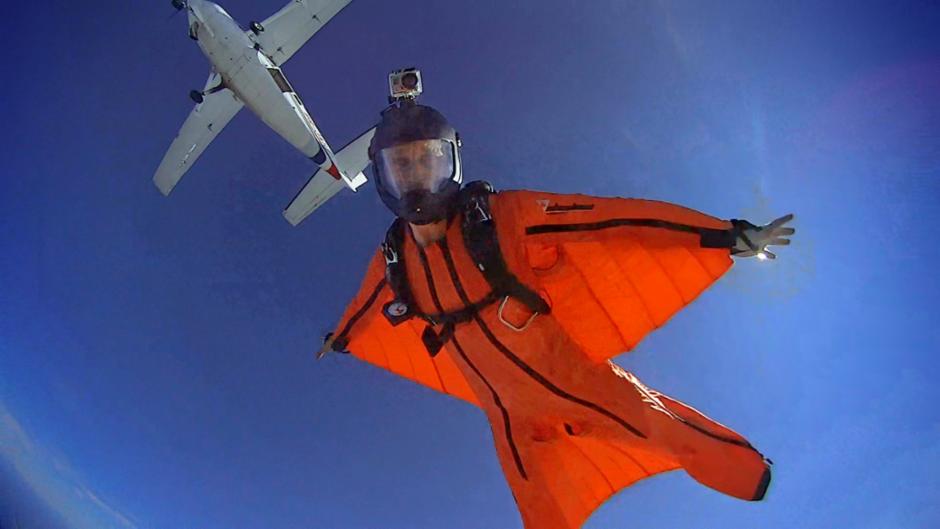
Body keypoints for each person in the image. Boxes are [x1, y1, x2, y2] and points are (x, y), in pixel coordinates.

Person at [319, 98, 795, 529]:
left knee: (660, 427)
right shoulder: (393, 256)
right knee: (540, 510)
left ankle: (746, 472)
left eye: (428, 159)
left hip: (571, 376)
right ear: (384, 176)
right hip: (507, 414)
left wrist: (725, 235)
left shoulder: (502, 216)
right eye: (402, 164)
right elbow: (365, 303)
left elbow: (611, 219)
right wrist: (341, 337)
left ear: (451, 162)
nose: (417, 174)